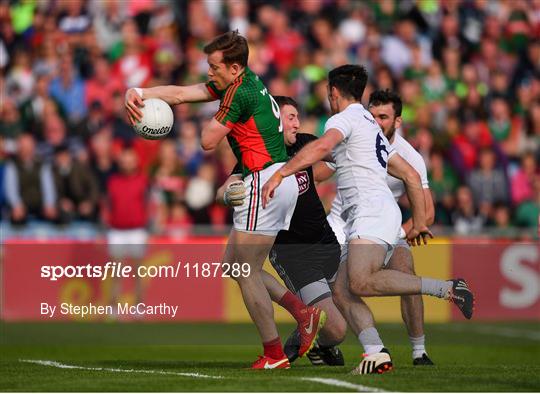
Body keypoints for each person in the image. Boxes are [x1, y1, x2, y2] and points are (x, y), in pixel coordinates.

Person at [125, 31, 324, 369]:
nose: (208, 72)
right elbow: (181, 93)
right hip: (270, 178)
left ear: (233, 68)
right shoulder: (240, 81)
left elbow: (205, 140)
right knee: (234, 264)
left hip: (265, 181)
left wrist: (177, 123)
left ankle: (274, 354)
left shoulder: (240, 93)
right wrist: (140, 93)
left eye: (213, 66)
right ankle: (302, 313)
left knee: (245, 269)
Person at [262, 65, 474, 374]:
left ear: (334, 94)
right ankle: (375, 352)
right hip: (378, 215)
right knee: (343, 291)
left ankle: (448, 288)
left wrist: (281, 172)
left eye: (328, 94)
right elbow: (411, 176)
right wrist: (420, 222)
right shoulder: (371, 127)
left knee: (360, 282)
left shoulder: (343, 119)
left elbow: (321, 147)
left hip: (369, 214)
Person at [216, 96, 346, 366]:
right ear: (274, 123)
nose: (297, 124)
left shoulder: (304, 143)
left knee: (347, 314)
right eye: (290, 118)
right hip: (294, 255)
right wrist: (229, 194)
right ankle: (302, 334)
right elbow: (223, 189)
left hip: (326, 243)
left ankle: (314, 337)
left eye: (298, 117)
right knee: (337, 329)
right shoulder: (256, 159)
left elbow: (343, 154)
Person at [319, 89, 437, 365]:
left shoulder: (410, 156)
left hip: (385, 224)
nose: (377, 121)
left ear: (398, 121)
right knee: (326, 288)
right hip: (341, 222)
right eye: (372, 115)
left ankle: (419, 351)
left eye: (383, 116)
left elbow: (427, 211)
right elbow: (320, 174)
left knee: (405, 270)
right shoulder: (356, 137)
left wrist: (404, 231)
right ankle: (326, 343)